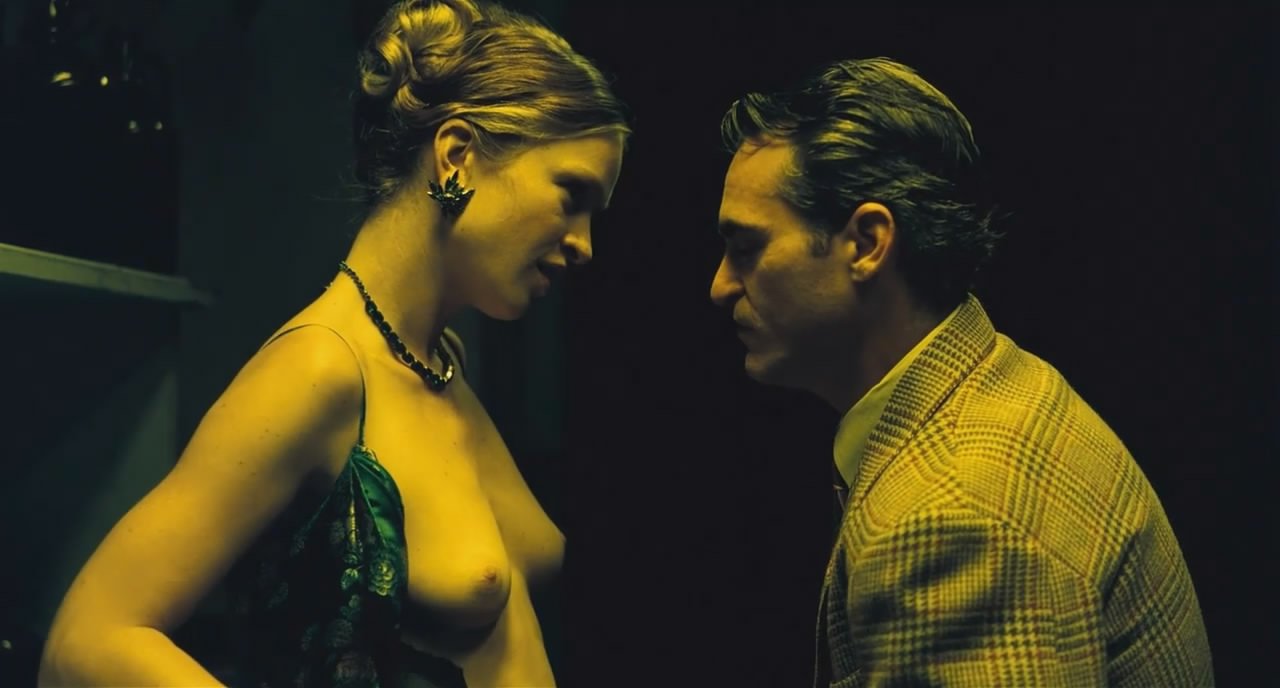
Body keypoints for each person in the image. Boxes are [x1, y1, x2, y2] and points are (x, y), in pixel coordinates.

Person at [37, 1, 626, 686]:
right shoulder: (322, 367)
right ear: (457, 156)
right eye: (571, 195)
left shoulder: (437, 361)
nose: (585, 245)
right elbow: (86, 640)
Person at [711, 57, 1213, 687]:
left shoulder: (952, 514)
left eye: (746, 248)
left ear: (867, 244)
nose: (720, 286)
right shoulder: (998, 387)